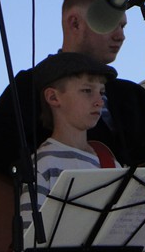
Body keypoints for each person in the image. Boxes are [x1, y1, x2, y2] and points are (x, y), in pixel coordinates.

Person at [0, 0, 145, 175]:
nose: (120, 36)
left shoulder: (132, 95)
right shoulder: (33, 84)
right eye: (111, 24)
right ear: (75, 23)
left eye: (123, 27)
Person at [18, 52, 118, 231]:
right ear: (53, 98)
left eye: (101, 92)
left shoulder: (110, 162)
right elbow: (30, 236)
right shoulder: (43, 163)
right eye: (87, 91)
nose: (99, 102)